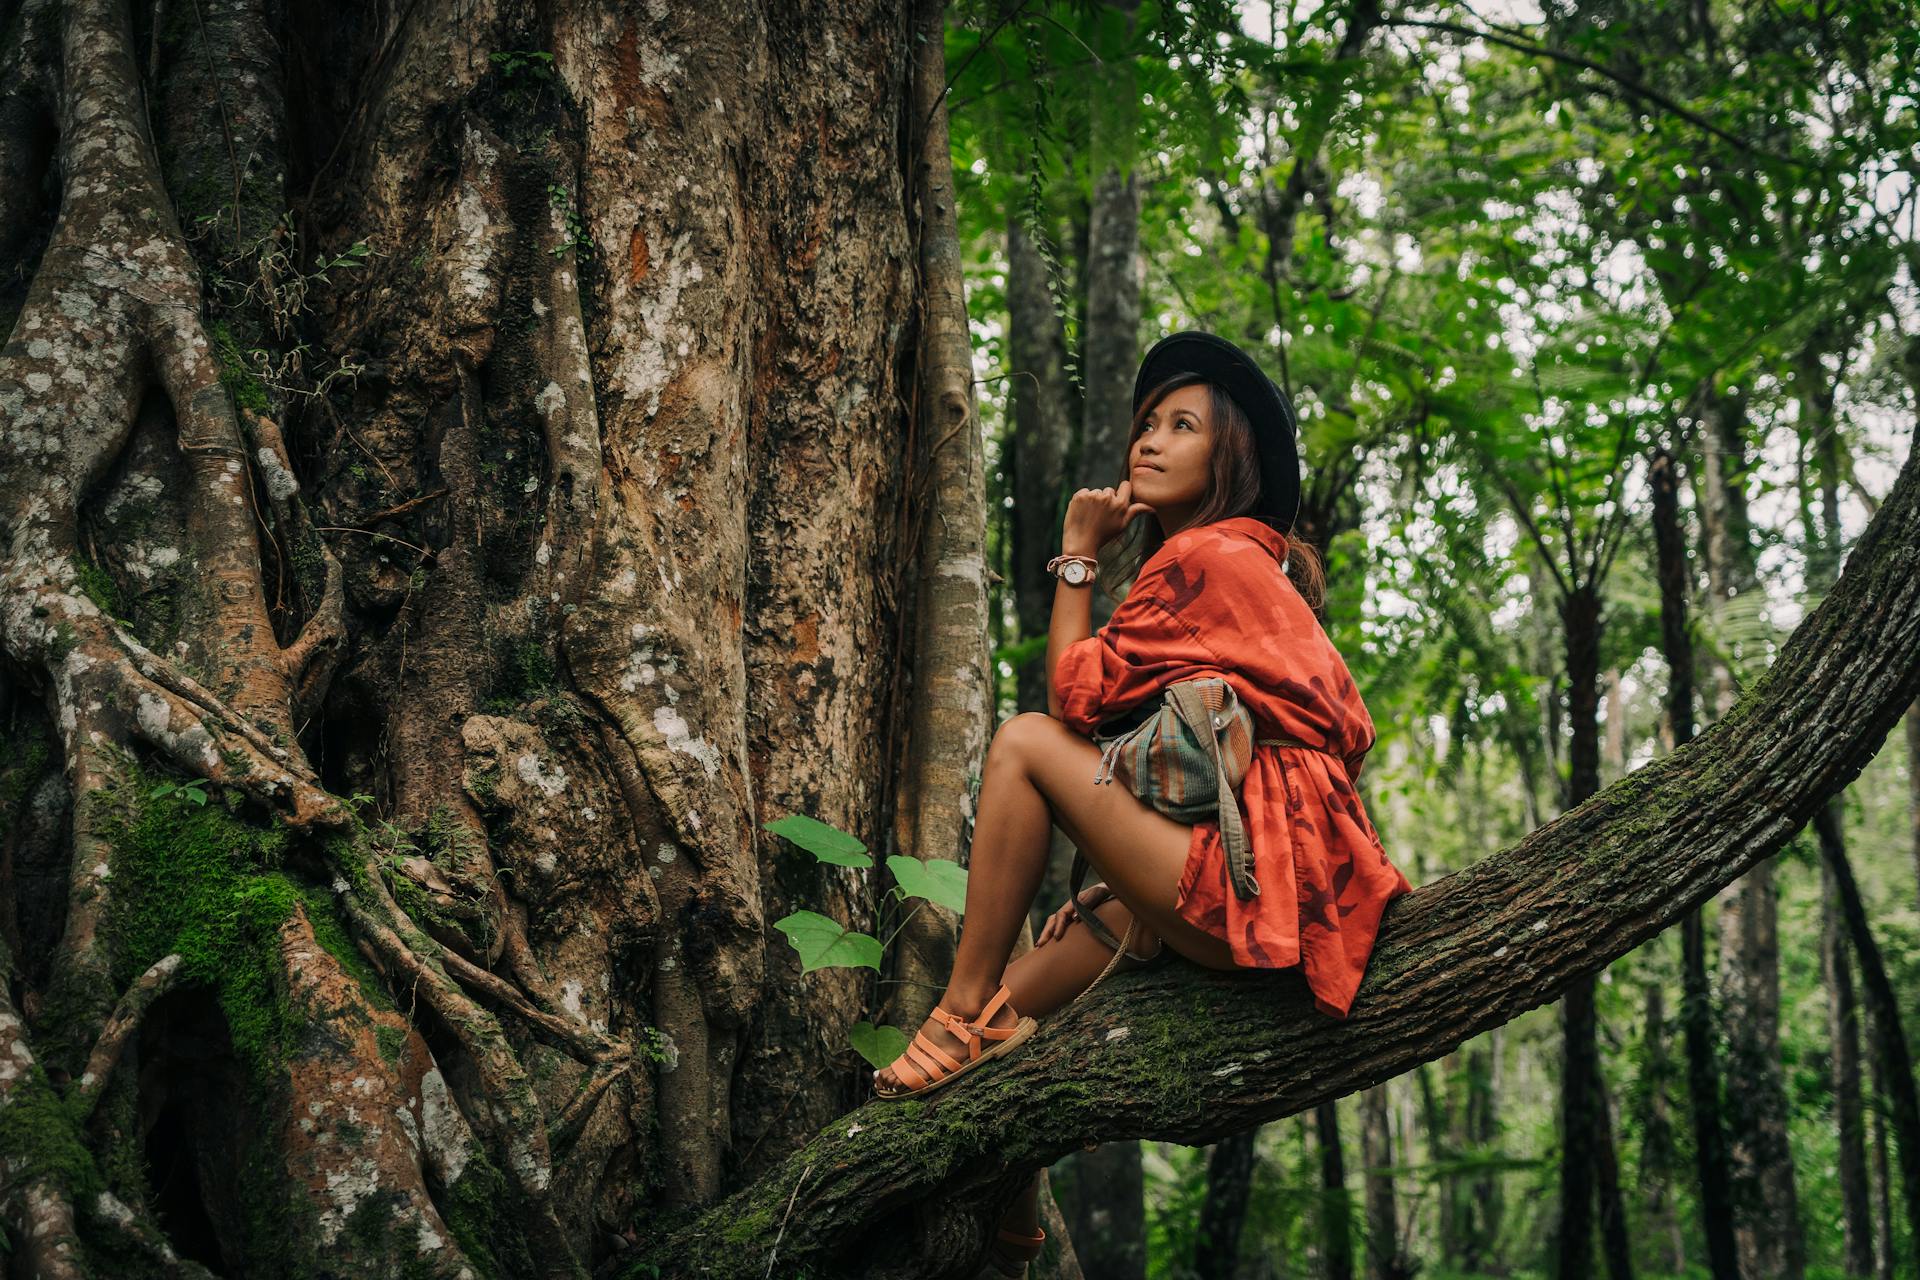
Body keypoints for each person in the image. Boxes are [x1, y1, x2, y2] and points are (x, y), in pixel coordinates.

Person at [871, 331, 1412, 1278]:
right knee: (1032, 982)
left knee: (1023, 744)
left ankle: (953, 1019)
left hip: (1252, 889)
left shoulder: (1206, 557)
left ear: (1230, 454)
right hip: (1265, 881)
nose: (1148, 442)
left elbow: (1073, 701)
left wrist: (1078, 555)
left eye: (1182, 425)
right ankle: (1012, 1190)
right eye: (1146, 425)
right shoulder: (1246, 564)